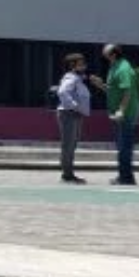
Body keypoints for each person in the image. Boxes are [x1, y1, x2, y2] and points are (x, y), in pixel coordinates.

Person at [87, 44, 139, 186]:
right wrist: (100, 85)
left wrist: (121, 110)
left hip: (126, 114)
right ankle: (124, 175)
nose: (103, 55)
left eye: (105, 52)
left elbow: (127, 91)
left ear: (113, 54)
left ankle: (126, 178)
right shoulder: (114, 67)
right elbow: (113, 90)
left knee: (124, 147)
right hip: (118, 114)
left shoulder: (123, 68)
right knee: (121, 146)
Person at [55, 53, 91, 184]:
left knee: (72, 145)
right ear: (72, 65)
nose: (84, 66)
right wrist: (74, 106)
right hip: (68, 113)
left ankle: (69, 173)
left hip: (74, 114)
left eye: (84, 63)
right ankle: (66, 175)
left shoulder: (78, 78)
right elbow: (62, 92)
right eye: (81, 64)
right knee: (68, 145)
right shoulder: (71, 77)